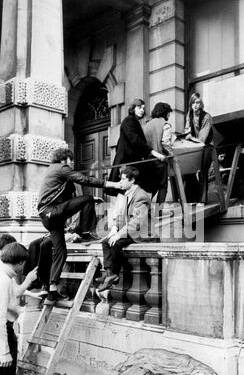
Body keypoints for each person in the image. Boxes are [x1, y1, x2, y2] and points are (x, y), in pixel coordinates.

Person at [37, 147, 121, 303]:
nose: (72, 162)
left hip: (47, 217)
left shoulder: (52, 170)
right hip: (53, 211)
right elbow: (85, 180)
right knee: (88, 197)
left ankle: (52, 291)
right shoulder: (62, 167)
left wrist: (85, 203)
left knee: (61, 252)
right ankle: (87, 233)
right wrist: (114, 185)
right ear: (64, 159)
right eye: (71, 159)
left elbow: (67, 198)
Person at [97, 166, 152, 292]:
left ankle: (114, 274)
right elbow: (121, 215)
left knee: (116, 243)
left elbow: (137, 220)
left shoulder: (141, 196)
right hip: (130, 231)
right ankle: (110, 274)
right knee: (106, 242)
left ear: (132, 180)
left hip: (140, 233)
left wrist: (120, 234)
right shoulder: (127, 194)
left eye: (123, 179)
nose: (120, 183)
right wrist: (115, 229)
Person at [0, 242, 31, 375]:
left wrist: (19, 311)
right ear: (19, 263)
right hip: (2, 338)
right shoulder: (3, 280)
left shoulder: (3, 275)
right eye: (23, 264)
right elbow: (0, 319)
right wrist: (4, 352)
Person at [108, 98, 165, 196]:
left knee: (140, 187)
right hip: (128, 163)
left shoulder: (133, 121)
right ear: (133, 108)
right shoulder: (129, 121)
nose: (142, 110)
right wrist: (153, 152)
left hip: (132, 162)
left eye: (143, 108)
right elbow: (135, 141)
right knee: (130, 190)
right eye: (139, 107)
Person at [184, 92, 214, 204]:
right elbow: (187, 129)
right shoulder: (189, 115)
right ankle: (190, 199)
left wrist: (190, 137)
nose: (196, 105)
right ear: (191, 104)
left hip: (206, 145)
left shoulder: (207, 117)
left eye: (198, 103)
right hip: (195, 144)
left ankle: (203, 200)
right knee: (188, 170)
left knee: (203, 170)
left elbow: (202, 137)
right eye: (194, 103)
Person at [143, 102, 174, 204]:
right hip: (160, 160)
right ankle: (158, 211)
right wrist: (172, 155)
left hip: (147, 161)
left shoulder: (146, 126)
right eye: (169, 113)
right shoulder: (166, 124)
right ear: (164, 113)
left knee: (151, 187)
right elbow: (165, 143)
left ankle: (145, 208)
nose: (169, 115)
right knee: (163, 186)